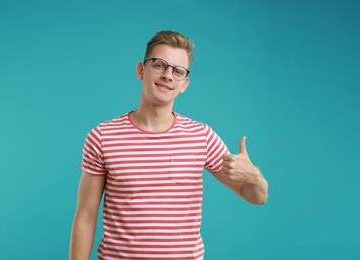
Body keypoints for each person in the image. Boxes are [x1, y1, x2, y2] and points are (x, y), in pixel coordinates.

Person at [69, 30, 268, 260]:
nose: (168, 75)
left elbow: (257, 197)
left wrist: (254, 177)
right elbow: (85, 215)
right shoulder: (102, 136)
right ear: (141, 70)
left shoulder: (201, 136)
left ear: (184, 84)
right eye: (160, 65)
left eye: (178, 71)